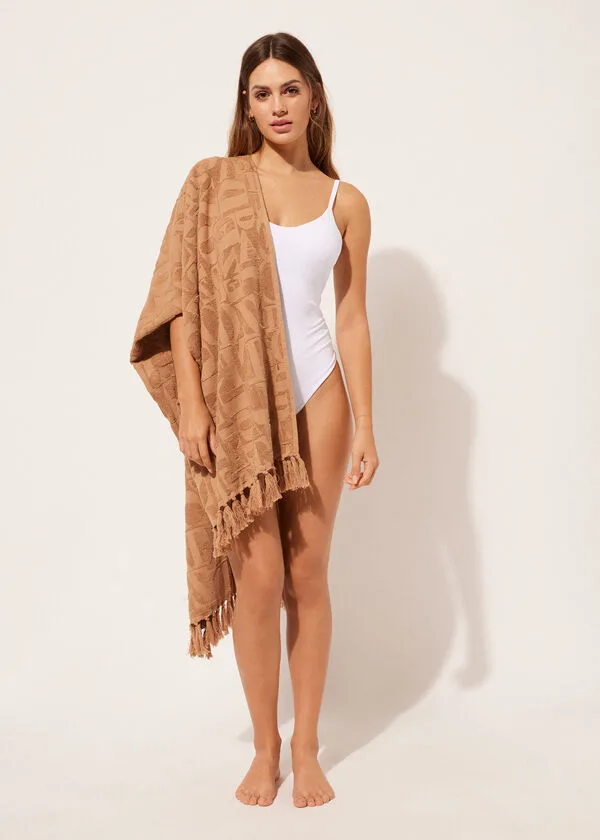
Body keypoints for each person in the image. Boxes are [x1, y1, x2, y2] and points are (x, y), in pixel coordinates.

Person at [169, 32, 379, 808]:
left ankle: (307, 747)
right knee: (257, 581)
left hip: (320, 394)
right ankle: (265, 748)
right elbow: (181, 303)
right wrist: (193, 403)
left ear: (313, 96)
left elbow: (350, 318)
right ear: (247, 106)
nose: (277, 105)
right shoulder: (214, 185)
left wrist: (367, 424)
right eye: (262, 93)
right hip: (238, 408)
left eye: (290, 89)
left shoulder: (344, 200)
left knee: (307, 576)